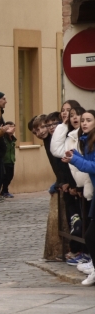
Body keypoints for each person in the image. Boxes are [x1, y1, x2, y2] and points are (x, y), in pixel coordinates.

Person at [62, 110, 95, 285]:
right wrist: (75, 156)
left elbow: (93, 166)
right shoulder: (87, 141)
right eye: (83, 120)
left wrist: (75, 160)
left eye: (88, 120)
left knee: (90, 235)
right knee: (90, 235)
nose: (84, 123)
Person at [0, 121, 17, 198]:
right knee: (4, 176)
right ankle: (4, 191)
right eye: (9, 126)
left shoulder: (13, 139)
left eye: (13, 126)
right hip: (4, 160)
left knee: (10, 176)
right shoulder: (3, 137)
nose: (12, 128)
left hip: (11, 159)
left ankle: (4, 190)